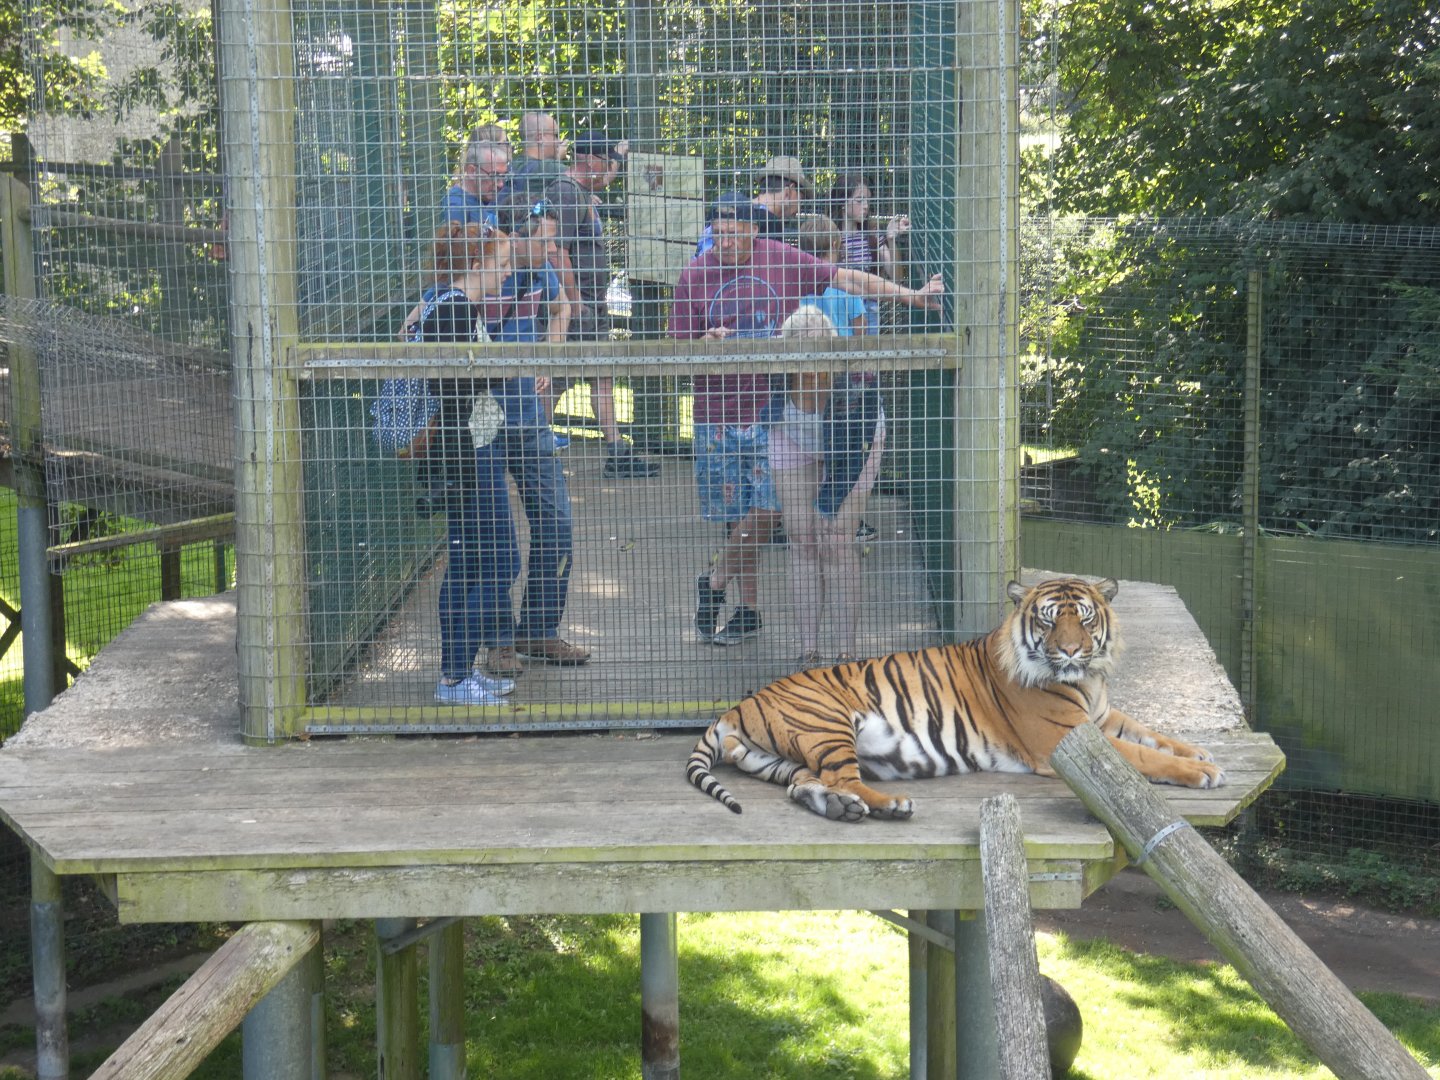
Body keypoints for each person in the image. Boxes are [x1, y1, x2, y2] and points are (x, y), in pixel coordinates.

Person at [670, 192, 944, 646]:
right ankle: (748, 610)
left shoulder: (782, 257)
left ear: (755, 231)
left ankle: (719, 581)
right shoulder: (695, 275)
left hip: (780, 406)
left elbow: (852, 280)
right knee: (742, 519)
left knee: (769, 513)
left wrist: (912, 297)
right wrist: (703, 340)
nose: (725, 244)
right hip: (721, 409)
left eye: (734, 235)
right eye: (717, 236)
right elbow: (675, 346)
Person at [483, 194, 592, 676]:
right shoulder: (480, 274)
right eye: (544, 240)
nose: (552, 249)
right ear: (515, 237)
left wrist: (549, 350)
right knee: (493, 535)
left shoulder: (540, 272)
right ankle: (498, 641)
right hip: (480, 421)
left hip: (529, 418)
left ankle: (539, 630)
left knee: (556, 526)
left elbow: (563, 305)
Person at [415, 222, 522, 705]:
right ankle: (454, 677)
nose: (507, 272)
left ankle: (459, 673)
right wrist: (497, 370)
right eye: (500, 264)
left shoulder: (447, 303)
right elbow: (451, 387)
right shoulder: (454, 308)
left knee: (477, 562)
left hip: (471, 448)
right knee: (487, 563)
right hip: (465, 454)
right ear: (476, 264)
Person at [766, 306, 886, 666]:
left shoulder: (853, 387)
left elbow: (851, 459)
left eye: (818, 344)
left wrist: (827, 503)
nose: (810, 353)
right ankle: (808, 650)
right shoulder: (774, 374)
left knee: (835, 538)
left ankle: (846, 651)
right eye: (801, 344)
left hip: (855, 444)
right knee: (801, 538)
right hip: (792, 438)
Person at [544, 129, 658, 478]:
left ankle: (617, 453)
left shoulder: (581, 191)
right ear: (590, 161)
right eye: (605, 164)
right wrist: (573, 300)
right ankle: (528, 448)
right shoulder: (566, 193)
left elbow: (604, 180)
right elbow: (554, 249)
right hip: (577, 307)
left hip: (590, 306)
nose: (608, 172)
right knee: (557, 380)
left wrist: (619, 157)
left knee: (598, 377)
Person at [828, 172, 911, 335]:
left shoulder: (872, 236)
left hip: (868, 309)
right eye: (859, 200)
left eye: (868, 200)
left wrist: (891, 239)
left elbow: (897, 277)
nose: (866, 206)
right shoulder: (829, 237)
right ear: (842, 204)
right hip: (838, 309)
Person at [694, 155, 812, 257]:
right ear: (789, 191)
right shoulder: (770, 222)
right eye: (800, 198)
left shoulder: (728, 208)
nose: (799, 206)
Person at [442, 135, 512, 230]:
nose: (501, 184)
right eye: (494, 176)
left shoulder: (480, 198)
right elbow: (454, 245)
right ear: (472, 171)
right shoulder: (457, 206)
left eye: (503, 176)